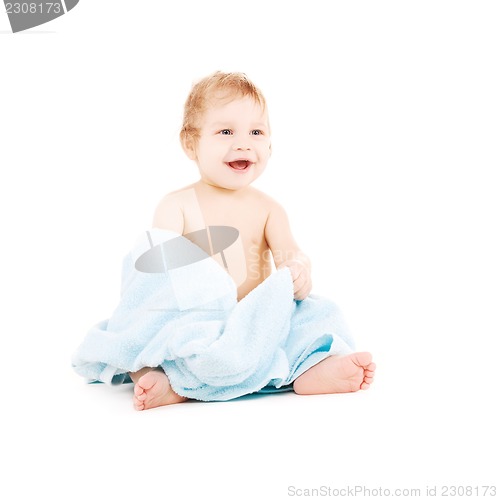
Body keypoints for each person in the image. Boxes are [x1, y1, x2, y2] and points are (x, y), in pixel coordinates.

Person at [131, 71, 376, 410]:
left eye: (256, 132)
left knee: (317, 313)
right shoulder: (178, 205)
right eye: (226, 131)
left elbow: (292, 256)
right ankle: (174, 383)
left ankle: (311, 368)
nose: (244, 143)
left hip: (256, 324)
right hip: (199, 320)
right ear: (191, 143)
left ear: (270, 145)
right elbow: (158, 277)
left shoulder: (268, 209)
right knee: (145, 335)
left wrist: (298, 271)